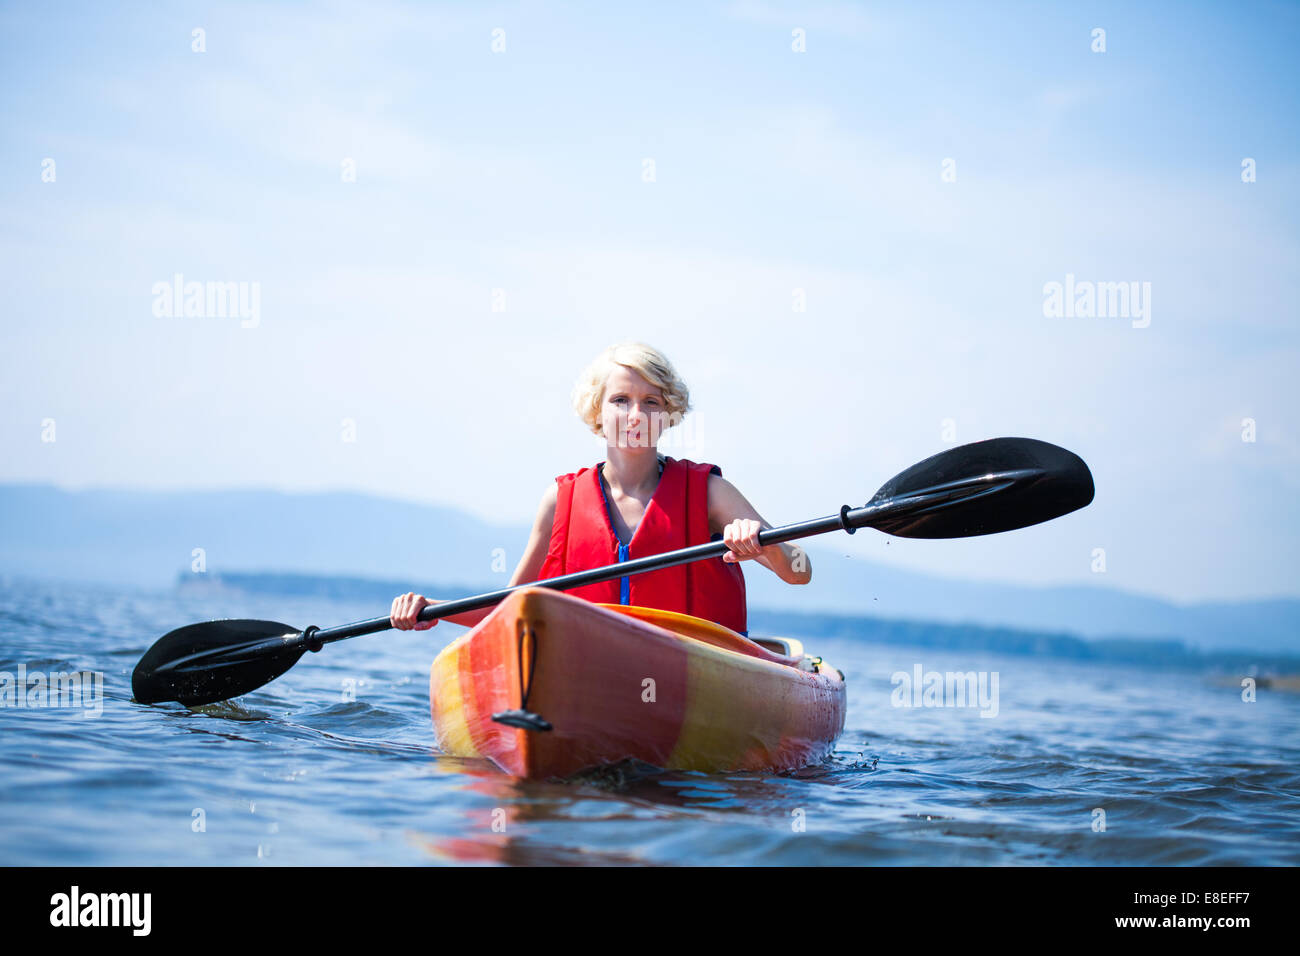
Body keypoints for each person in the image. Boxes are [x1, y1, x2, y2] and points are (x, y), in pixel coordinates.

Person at [391, 342, 810, 636]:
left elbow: (799, 570)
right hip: (592, 675)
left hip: (694, 675)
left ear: (669, 415)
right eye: (621, 400)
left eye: (652, 402)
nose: (636, 415)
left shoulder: (710, 494)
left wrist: (763, 546)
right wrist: (434, 611)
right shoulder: (560, 502)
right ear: (597, 409)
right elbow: (509, 607)